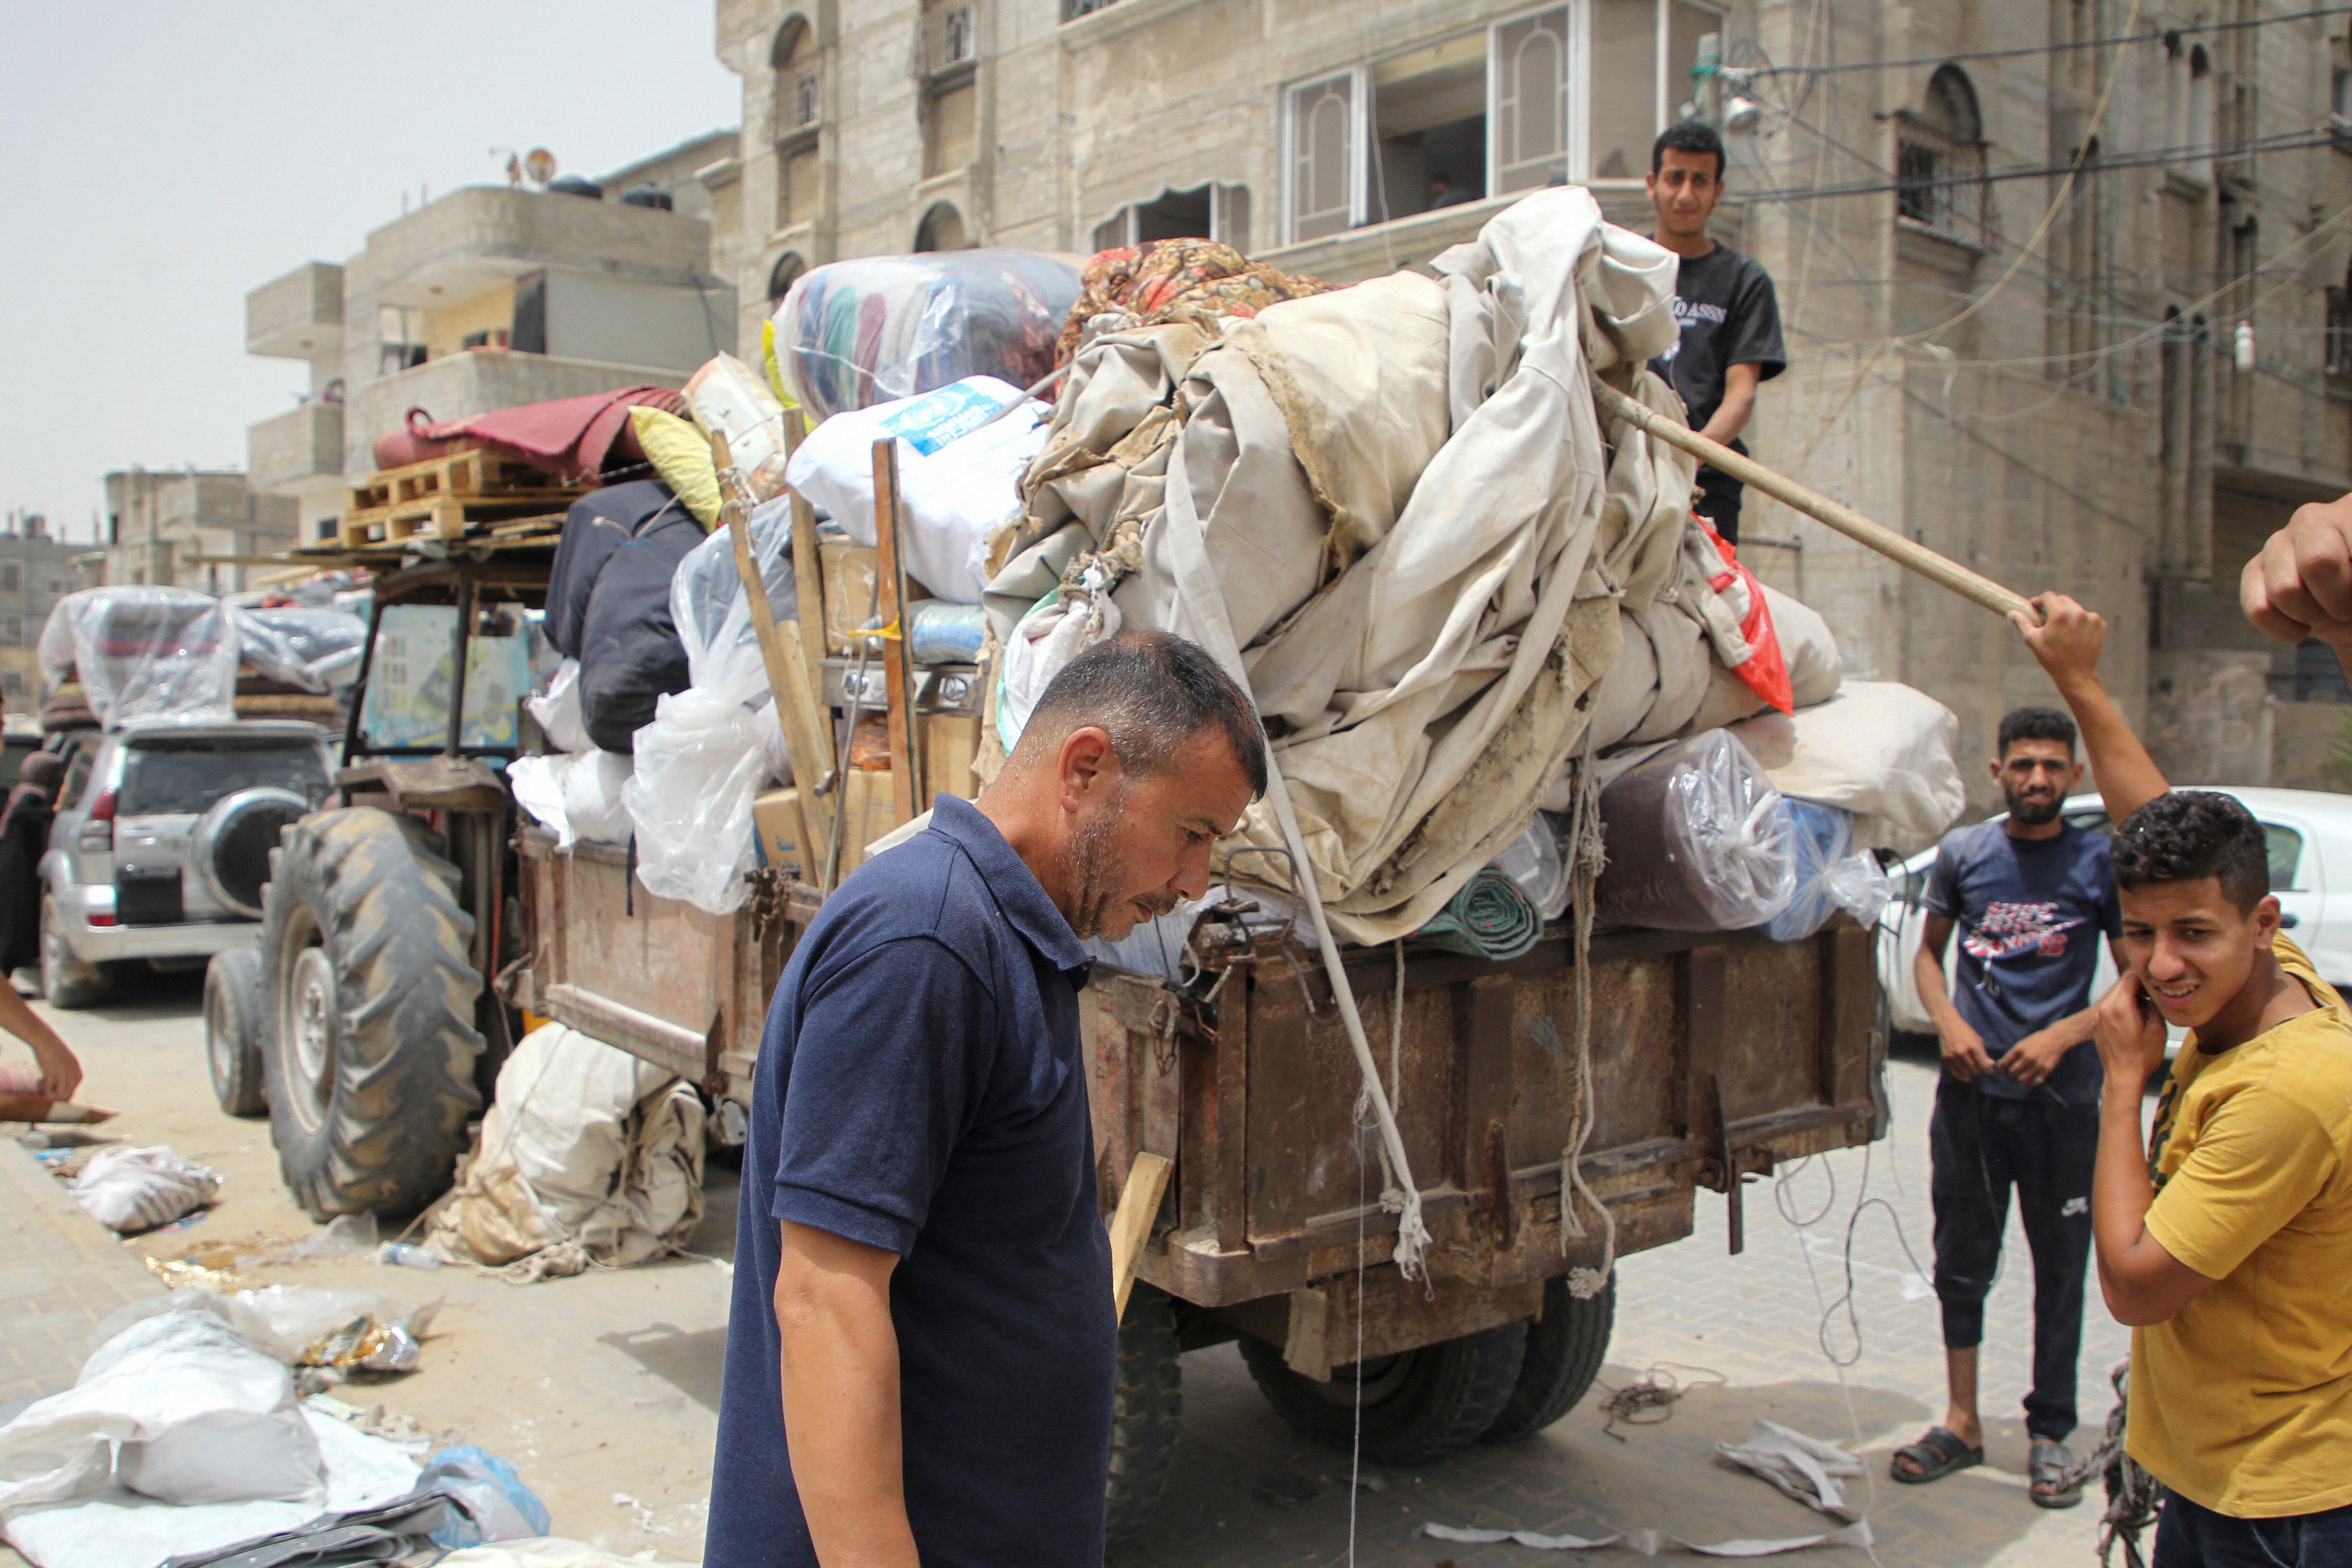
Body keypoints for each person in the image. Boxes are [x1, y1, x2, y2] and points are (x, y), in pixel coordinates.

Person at [705, 631, 1266, 1568]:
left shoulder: (1000, 935)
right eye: (1193, 834)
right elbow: (825, 1302)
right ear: (1086, 767)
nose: (1194, 884)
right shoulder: (927, 944)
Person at [2016, 589, 2352, 1565]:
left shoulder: (2290, 1090)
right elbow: (2156, 821)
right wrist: (2077, 680)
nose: (2161, 965)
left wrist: (2125, 1082)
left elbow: (2134, 1285)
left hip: (2285, 1510)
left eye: (2193, 935)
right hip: (2217, 1477)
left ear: (2265, 922)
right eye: (2140, 933)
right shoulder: (2262, 984)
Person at [1891, 707, 2123, 1507]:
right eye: (2023, 764)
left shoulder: (2098, 862)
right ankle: (1961, 1419)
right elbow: (1925, 955)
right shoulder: (1966, 852)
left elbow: (2134, 982)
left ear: (2075, 774)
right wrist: (1948, 1023)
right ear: (1997, 772)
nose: (2037, 779)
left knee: (2060, 1266)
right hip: (1971, 1097)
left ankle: (2051, 1430)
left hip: (2063, 1103)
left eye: (2053, 766)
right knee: (1962, 1260)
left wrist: (2065, 1033)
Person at [1644, 121, 1786, 545]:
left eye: (1700, 181)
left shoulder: (1744, 281)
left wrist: (1688, 455)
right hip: (1626, 475)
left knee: (1712, 604)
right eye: (1675, 178)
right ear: (1653, 185)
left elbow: (1741, 396)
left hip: (1707, 483)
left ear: (1718, 192)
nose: (1686, 194)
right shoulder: (1623, 269)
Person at [0, 753, 62, 980]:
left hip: (14, 864)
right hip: (16, 868)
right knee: (14, 925)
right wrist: (55, 814)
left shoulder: (22, 790)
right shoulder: (31, 796)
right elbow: (22, 815)